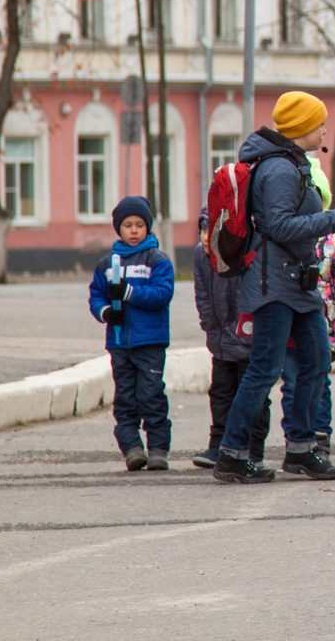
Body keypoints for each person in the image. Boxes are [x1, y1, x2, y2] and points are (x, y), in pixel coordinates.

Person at [212, 92, 335, 485]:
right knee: (264, 369)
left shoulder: (294, 163)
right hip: (273, 285)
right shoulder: (278, 170)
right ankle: (232, 453)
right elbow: (279, 226)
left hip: (298, 283)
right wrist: (334, 219)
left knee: (317, 357)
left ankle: (300, 447)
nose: (323, 129)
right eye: (319, 123)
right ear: (302, 128)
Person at [275, 156, 335, 460]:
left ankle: (320, 435)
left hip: (321, 330)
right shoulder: (284, 240)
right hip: (287, 328)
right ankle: (295, 435)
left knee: (318, 382)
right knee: (291, 383)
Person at [88, 195, 175, 471]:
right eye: (128, 225)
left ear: (147, 227)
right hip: (119, 341)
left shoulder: (157, 259)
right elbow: (96, 296)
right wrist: (105, 312)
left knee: (151, 395)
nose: (134, 230)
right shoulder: (107, 264)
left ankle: (158, 448)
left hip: (150, 342)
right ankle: (132, 448)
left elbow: (162, 294)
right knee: (125, 397)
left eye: (139, 224)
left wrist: (129, 293)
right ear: (119, 229)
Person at [191, 206, 269, 469]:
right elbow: (201, 294)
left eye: (211, 231)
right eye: (202, 230)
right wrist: (210, 328)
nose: (205, 237)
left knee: (253, 394)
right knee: (221, 393)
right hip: (220, 340)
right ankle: (218, 445)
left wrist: (245, 332)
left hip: (246, 340)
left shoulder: (239, 255)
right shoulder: (201, 257)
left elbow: (247, 297)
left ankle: (254, 449)